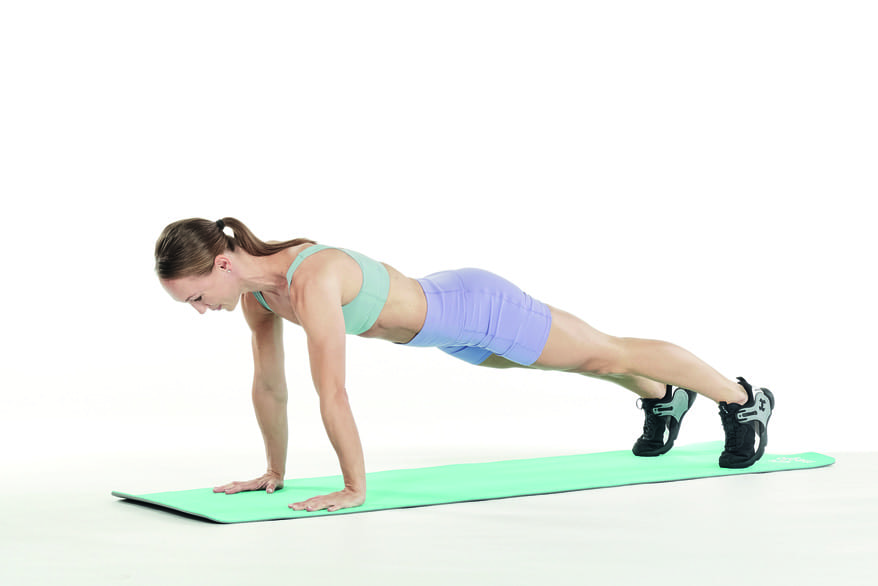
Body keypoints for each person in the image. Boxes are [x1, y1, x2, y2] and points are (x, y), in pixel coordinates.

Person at [155, 217, 775, 513]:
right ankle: (666, 396)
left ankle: (742, 398)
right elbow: (269, 386)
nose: (202, 310)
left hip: (474, 307)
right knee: (581, 363)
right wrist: (273, 471)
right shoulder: (260, 298)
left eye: (197, 297)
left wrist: (355, 487)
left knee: (606, 350)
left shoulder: (310, 278)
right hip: (449, 336)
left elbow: (333, 391)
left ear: (223, 265)